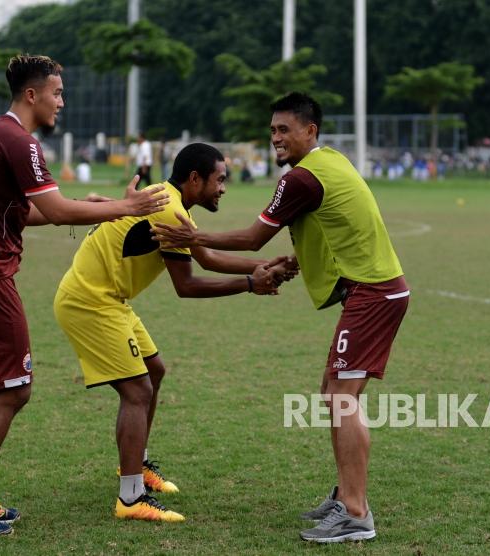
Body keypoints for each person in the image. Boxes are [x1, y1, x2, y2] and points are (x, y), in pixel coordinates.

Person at [152, 92, 409, 543]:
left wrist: (193, 236)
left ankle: (356, 513)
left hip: (373, 293)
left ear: (310, 130)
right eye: (272, 130)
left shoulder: (301, 179)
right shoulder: (332, 162)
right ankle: (346, 497)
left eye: (284, 129)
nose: (276, 138)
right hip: (376, 291)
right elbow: (336, 227)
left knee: (341, 398)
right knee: (334, 392)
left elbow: (253, 239)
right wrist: (297, 260)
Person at [0, 54, 169, 537]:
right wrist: (126, 206)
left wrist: (101, 208)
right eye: (57, 93)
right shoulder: (21, 141)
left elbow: (28, 213)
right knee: (14, 390)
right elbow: (58, 211)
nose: (62, 102)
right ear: (32, 95)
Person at [53, 142, 296, 523]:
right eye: (219, 180)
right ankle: (131, 499)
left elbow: (207, 257)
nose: (223, 188)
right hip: (91, 301)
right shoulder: (168, 207)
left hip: (109, 299)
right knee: (138, 391)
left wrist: (266, 264)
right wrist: (252, 283)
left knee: (154, 372)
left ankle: (137, 464)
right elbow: (187, 285)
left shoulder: (171, 202)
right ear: (195, 178)